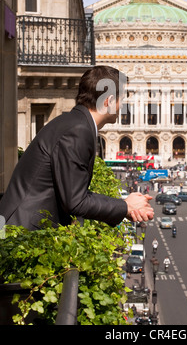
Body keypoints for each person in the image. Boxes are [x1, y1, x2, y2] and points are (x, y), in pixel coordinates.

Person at [0, 66, 154, 230]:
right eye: (121, 99)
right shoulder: (78, 131)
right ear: (108, 101)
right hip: (20, 230)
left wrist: (125, 208)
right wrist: (125, 206)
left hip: (21, 224)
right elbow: (75, 201)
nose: (122, 105)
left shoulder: (75, 123)